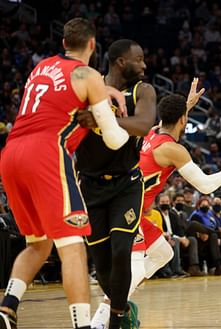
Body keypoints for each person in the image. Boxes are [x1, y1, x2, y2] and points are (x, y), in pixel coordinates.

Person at [90, 81, 221, 328]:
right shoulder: (173, 149)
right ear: (183, 121)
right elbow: (206, 187)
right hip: (125, 210)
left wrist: (185, 106)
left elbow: (171, 120)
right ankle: (101, 319)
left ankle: (119, 299)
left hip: (119, 203)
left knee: (163, 253)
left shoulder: (152, 131)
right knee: (133, 267)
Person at [0, 18, 129, 329]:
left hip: (11, 154)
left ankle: (6, 310)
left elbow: (61, 95)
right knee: (72, 247)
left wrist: (100, 94)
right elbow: (114, 139)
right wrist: (115, 121)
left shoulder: (41, 66)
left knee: (38, 244)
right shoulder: (89, 74)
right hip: (45, 153)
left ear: (64, 44)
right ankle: (82, 325)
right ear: (93, 45)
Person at [76, 38, 157, 329]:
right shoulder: (89, 87)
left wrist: (101, 118)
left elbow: (144, 124)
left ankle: (116, 321)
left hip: (126, 184)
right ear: (122, 61)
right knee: (102, 267)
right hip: (91, 186)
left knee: (122, 250)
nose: (145, 65)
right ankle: (123, 308)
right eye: (139, 59)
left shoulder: (142, 90)